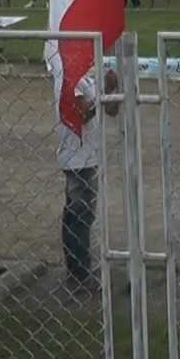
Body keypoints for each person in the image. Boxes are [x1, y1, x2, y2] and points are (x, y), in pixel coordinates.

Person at [53, 54, 121, 291]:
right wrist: (105, 91)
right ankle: (79, 274)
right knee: (80, 216)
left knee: (79, 215)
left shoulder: (85, 78)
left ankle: (78, 270)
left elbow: (110, 110)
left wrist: (113, 91)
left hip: (88, 155)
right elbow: (81, 114)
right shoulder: (69, 78)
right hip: (77, 157)